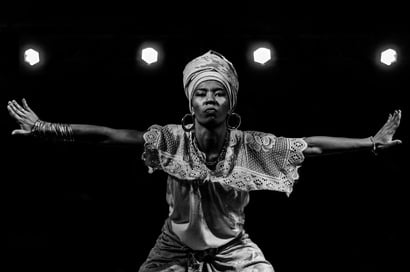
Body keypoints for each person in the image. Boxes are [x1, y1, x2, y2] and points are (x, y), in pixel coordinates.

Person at [7, 50, 402, 272]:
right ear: (191, 102)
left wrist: (369, 141)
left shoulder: (250, 145)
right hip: (173, 247)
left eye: (218, 93)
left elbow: (310, 146)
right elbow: (111, 135)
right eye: (202, 94)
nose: (209, 99)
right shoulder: (170, 140)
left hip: (234, 249)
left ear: (230, 102)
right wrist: (46, 127)